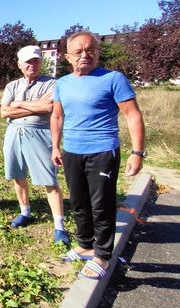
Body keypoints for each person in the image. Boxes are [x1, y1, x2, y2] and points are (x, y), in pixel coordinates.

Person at [51, 31, 145, 280]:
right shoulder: (62, 83)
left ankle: (102, 256)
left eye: (90, 50)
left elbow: (132, 114)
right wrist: (55, 146)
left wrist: (137, 152)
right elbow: (57, 116)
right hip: (72, 150)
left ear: (98, 52)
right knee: (79, 202)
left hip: (102, 151)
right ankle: (85, 244)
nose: (85, 55)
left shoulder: (113, 79)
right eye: (79, 51)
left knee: (101, 205)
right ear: (68, 56)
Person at [0, 45, 70, 245]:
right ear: (19, 64)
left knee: (49, 178)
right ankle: (25, 212)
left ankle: (59, 227)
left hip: (41, 133)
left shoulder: (53, 84)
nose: (32, 64)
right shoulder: (12, 86)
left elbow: (49, 107)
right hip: (14, 133)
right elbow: (4, 112)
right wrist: (33, 106)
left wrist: (18, 104)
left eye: (36, 60)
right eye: (28, 61)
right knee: (17, 175)